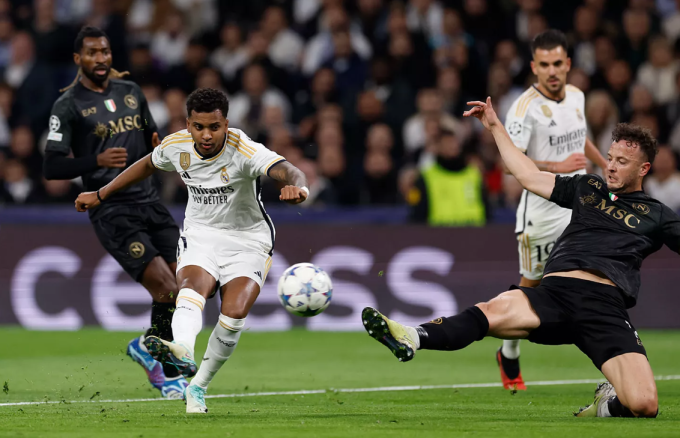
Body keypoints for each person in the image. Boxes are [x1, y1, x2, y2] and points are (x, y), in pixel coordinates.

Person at [363, 96, 677, 419]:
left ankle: (605, 405)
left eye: (621, 162)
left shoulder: (657, 215)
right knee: (490, 310)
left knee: (644, 404)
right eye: (609, 158)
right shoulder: (589, 187)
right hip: (555, 294)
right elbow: (528, 176)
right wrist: (496, 127)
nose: (610, 166)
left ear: (644, 168)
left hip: (604, 307)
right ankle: (411, 336)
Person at [74, 88, 309, 414]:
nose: (206, 135)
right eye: (199, 127)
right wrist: (101, 193)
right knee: (190, 289)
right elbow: (146, 165)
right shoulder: (176, 145)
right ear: (189, 124)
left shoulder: (243, 148)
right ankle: (182, 349)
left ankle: (197, 386)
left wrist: (298, 185)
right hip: (202, 235)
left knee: (234, 314)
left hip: (249, 240)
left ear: (226, 123)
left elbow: (286, 169)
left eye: (214, 127)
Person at [42, 26, 186, 398]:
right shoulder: (68, 105)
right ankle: (166, 370)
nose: (101, 58)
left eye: (105, 51)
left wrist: (159, 147)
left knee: (184, 290)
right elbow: (52, 166)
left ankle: (148, 348)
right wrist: (96, 160)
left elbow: (152, 139)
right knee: (166, 287)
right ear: (79, 59)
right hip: (112, 208)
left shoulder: (131, 92)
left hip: (150, 202)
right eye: (92, 53)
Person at [498, 29, 607, 390]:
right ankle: (508, 350)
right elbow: (510, 164)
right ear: (534, 67)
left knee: (593, 271)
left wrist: (601, 163)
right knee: (531, 284)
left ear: (568, 64)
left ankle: (611, 352)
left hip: (577, 206)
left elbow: (579, 136)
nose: (552, 71)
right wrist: (560, 168)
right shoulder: (523, 109)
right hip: (540, 213)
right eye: (544, 65)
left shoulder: (576, 95)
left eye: (558, 63)